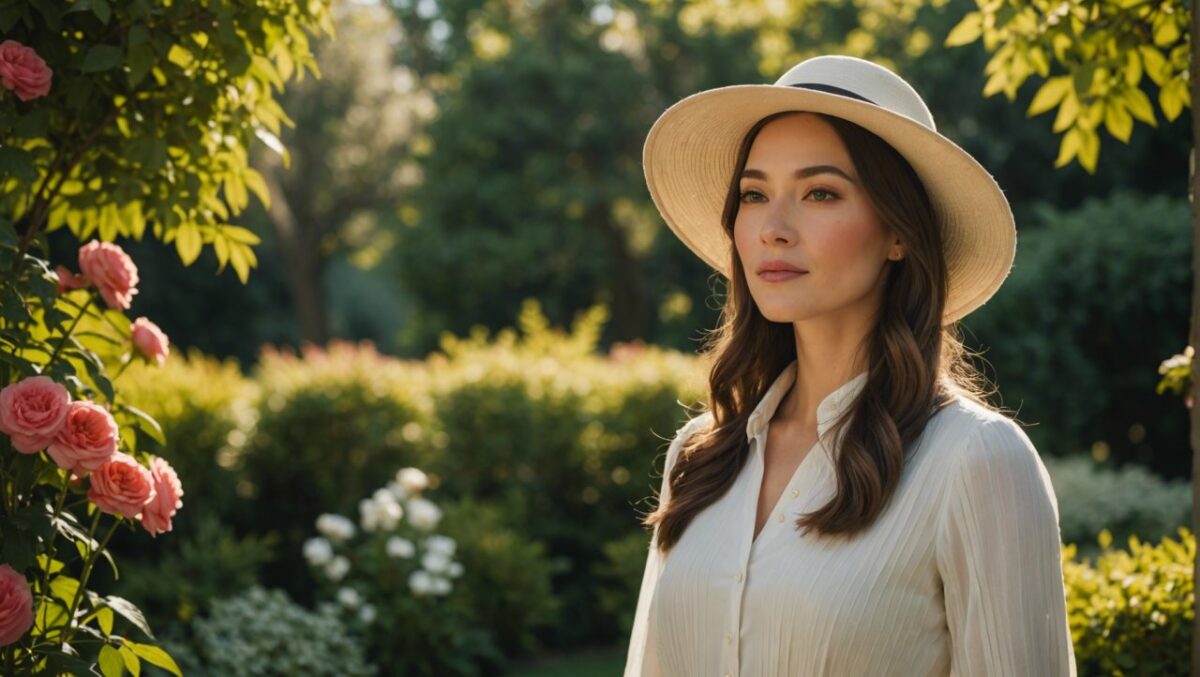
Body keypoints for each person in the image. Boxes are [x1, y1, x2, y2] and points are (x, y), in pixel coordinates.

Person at [624, 54, 1076, 676]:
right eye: (754, 194)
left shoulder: (977, 461)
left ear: (898, 234)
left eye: (820, 192)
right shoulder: (699, 455)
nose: (773, 229)